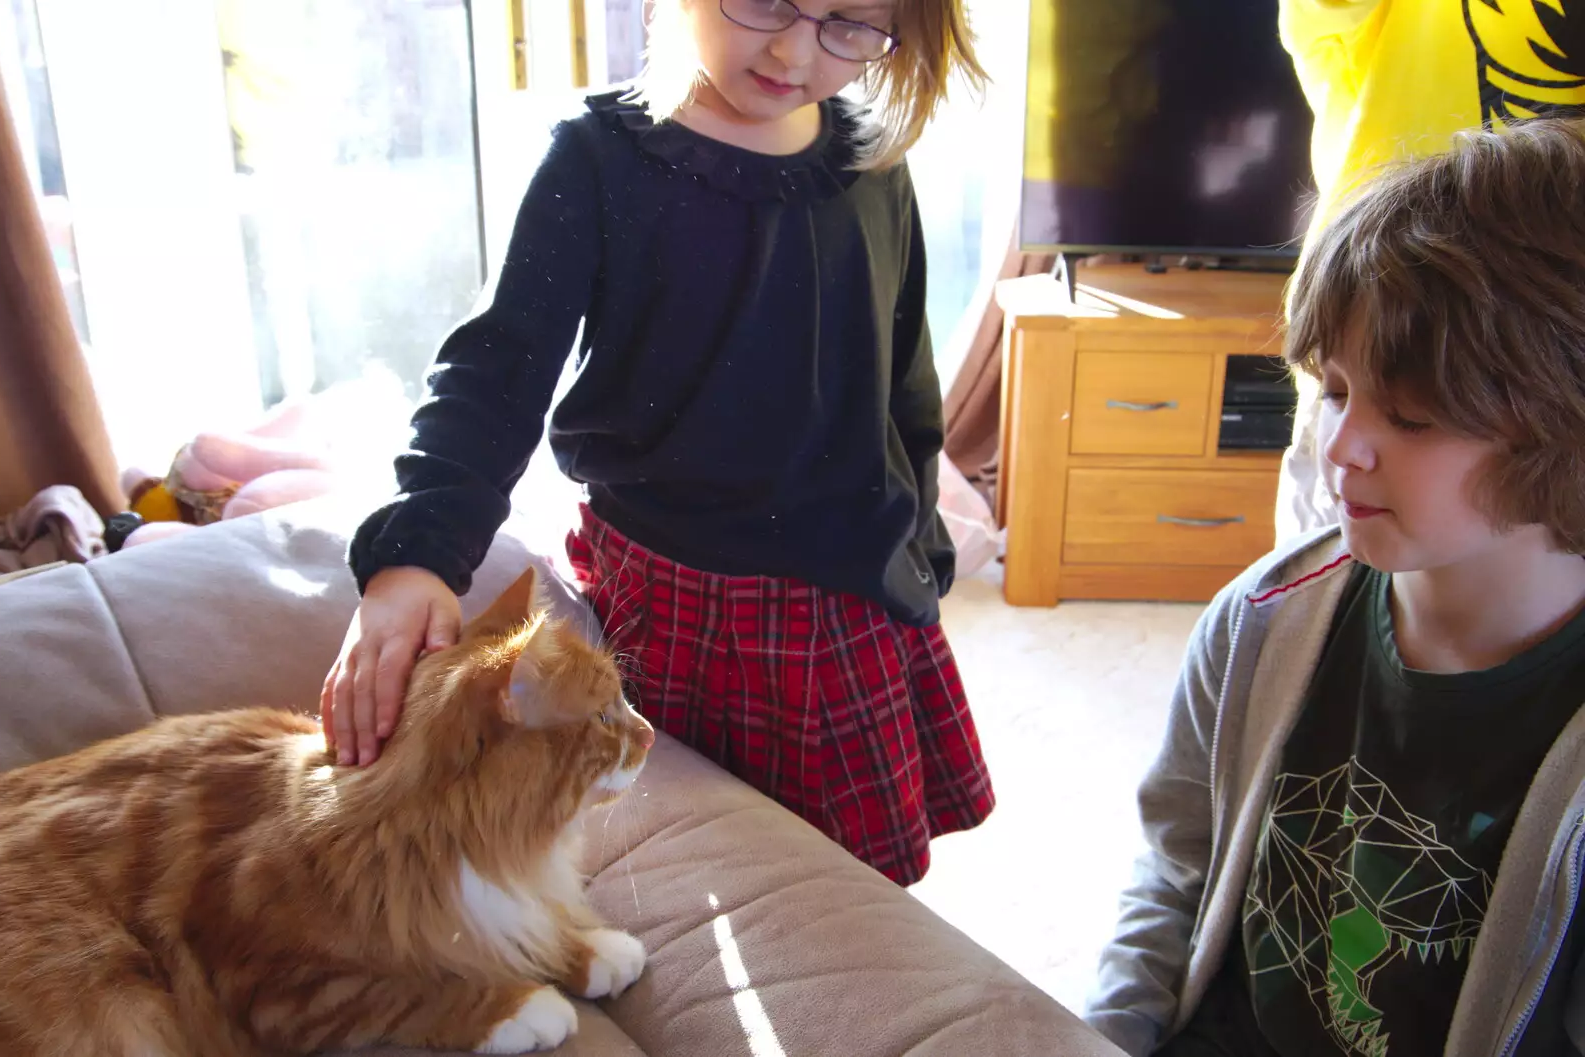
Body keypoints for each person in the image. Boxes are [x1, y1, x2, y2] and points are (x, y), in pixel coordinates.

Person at [320, 0, 995, 887]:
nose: (795, 49)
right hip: (669, 595)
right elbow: (496, 371)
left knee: (847, 881)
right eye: (769, 1)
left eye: (849, 25)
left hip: (847, 596)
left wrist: (924, 553)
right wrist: (416, 556)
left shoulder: (874, 162)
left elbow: (904, 381)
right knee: (671, 855)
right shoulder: (599, 159)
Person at [1086, 118, 1585, 1055]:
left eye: (1411, 415)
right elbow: (1176, 871)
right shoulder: (1262, 618)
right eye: (1333, 389)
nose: (1343, 447)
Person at [1274, 0, 1585, 542]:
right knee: (1330, 584)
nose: (1337, 448)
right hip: (1374, 327)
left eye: (1412, 416)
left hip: (1557, 379)